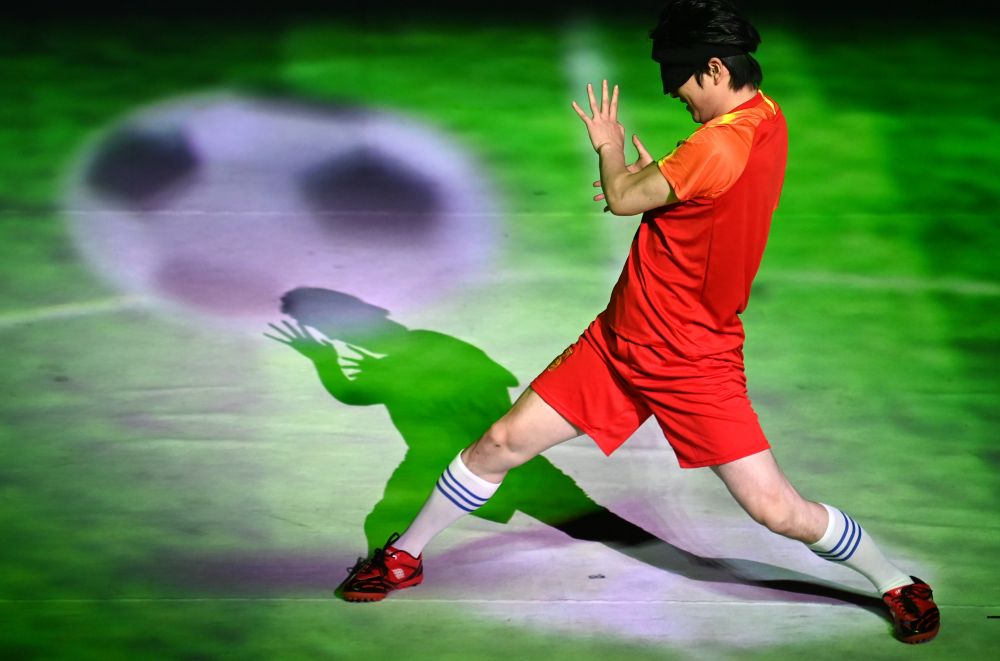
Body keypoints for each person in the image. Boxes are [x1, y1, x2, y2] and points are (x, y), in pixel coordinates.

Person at [336, 0, 940, 645]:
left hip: (692, 358)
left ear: (715, 68)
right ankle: (404, 556)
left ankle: (897, 582)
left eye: (681, 80)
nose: (675, 93)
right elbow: (712, 195)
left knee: (777, 509)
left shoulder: (714, 146)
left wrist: (610, 148)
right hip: (617, 343)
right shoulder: (765, 117)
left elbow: (623, 198)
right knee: (501, 443)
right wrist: (672, 180)